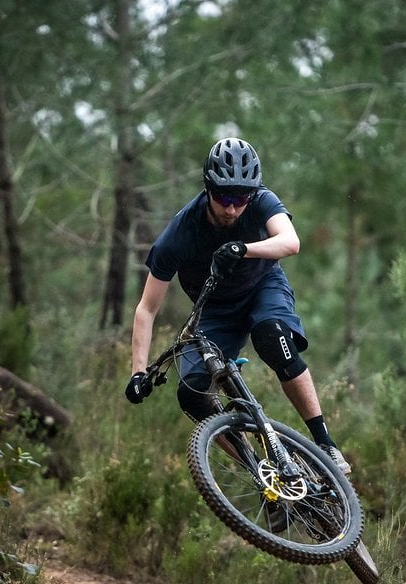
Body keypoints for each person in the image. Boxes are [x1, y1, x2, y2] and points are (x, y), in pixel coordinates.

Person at [124, 136, 351, 475]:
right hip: (213, 309)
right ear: (207, 189)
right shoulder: (181, 233)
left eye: (241, 198)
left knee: (272, 337)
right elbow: (146, 309)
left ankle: (325, 445)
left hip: (263, 287)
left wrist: (243, 248)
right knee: (191, 394)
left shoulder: (262, 201)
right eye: (224, 197)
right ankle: (260, 470)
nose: (232, 208)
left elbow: (291, 242)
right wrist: (138, 372)